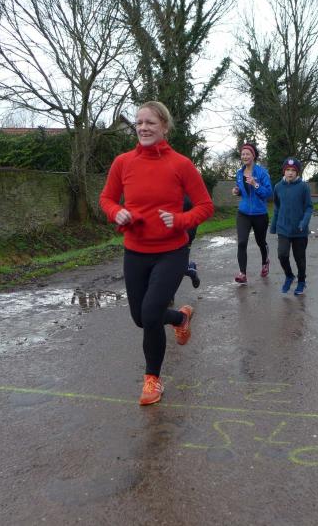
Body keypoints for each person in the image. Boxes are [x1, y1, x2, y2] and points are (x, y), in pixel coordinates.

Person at [99, 101, 214, 406]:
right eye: (139, 123)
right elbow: (107, 198)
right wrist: (116, 212)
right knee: (140, 318)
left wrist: (180, 220)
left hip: (171, 252)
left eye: (150, 122)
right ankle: (179, 317)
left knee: (150, 314)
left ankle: (152, 379)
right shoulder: (123, 162)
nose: (143, 128)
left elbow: (205, 206)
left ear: (164, 126)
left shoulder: (181, 164)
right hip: (135, 251)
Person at [231, 142, 273, 284]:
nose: (245, 156)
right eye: (243, 154)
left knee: (261, 242)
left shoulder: (262, 173)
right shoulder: (239, 173)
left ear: (253, 156)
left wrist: (256, 184)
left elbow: (268, 193)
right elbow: (242, 191)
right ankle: (242, 273)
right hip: (243, 213)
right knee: (242, 242)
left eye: (247, 154)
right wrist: (237, 191)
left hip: (259, 213)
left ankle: (265, 262)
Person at [270, 157, 313, 295]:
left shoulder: (303, 187)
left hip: (299, 230)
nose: (290, 172)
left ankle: (301, 281)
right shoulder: (278, 187)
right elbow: (277, 207)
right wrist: (274, 225)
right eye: (287, 170)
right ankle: (289, 276)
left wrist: (304, 222)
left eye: (293, 170)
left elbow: (309, 207)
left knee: (299, 258)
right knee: (282, 255)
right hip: (283, 228)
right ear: (284, 171)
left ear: (297, 172)